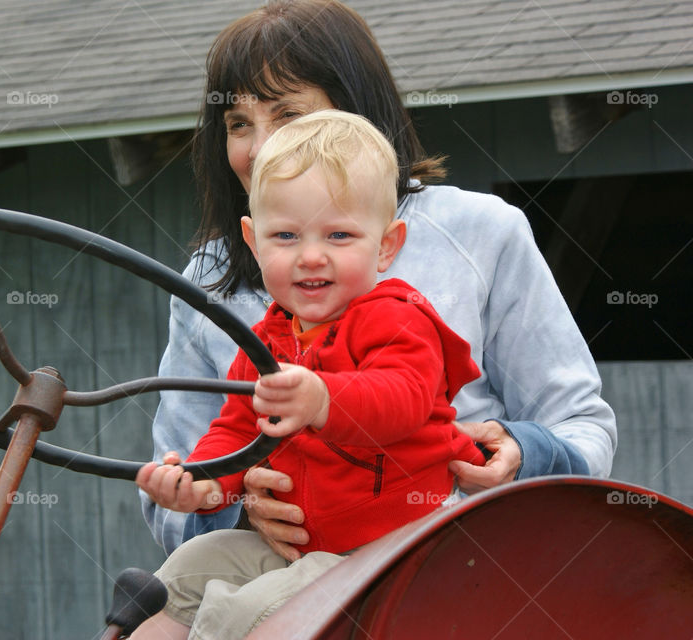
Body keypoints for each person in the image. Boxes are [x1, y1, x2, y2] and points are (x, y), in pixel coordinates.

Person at [142, 0, 616, 561]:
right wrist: (236, 505)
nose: (259, 147)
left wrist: (523, 452)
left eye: (288, 116)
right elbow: (174, 478)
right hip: (281, 574)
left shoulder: (482, 231)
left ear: (356, 118)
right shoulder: (209, 278)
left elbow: (580, 425)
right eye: (238, 123)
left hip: (452, 563)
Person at [134, 110, 487, 639]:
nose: (312, 256)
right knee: (180, 575)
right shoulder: (265, 341)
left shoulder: (398, 316)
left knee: (241, 616)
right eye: (287, 236)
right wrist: (201, 485)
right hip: (301, 545)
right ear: (254, 242)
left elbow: (405, 396)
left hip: (391, 550)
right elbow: (235, 431)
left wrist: (324, 399)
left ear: (387, 244)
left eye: (340, 234)